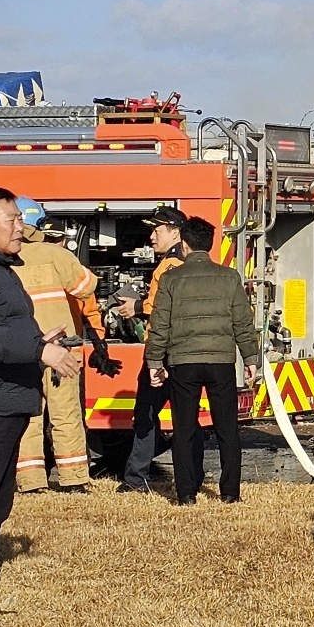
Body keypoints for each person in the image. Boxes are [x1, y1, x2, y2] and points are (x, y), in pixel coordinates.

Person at [0, 186, 80, 627]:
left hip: (8, 401)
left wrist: (42, 341)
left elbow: (7, 328)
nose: (22, 226)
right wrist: (40, 353)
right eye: (12, 218)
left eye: (21, 218)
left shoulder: (3, 269)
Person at [145, 216, 259, 505]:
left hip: (183, 362)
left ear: (183, 244)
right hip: (220, 361)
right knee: (227, 428)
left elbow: (160, 325)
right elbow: (242, 322)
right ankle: (230, 492)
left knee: (184, 428)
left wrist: (155, 362)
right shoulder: (229, 277)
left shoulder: (171, 279)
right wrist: (250, 357)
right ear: (209, 245)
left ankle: (186, 494)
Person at [11, 198, 102, 494]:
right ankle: (74, 478)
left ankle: (30, 481)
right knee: (66, 414)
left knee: (29, 415)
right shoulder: (53, 253)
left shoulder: (1, 258)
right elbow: (85, 286)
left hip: (23, 348)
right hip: (63, 349)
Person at [117, 206, 197, 494]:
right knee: (186, 417)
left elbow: (165, 304)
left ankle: (135, 479)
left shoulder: (169, 265)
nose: (151, 236)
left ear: (175, 232)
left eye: (157, 230)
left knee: (147, 414)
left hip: (161, 351)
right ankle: (193, 476)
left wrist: (136, 307)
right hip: (186, 351)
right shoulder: (188, 261)